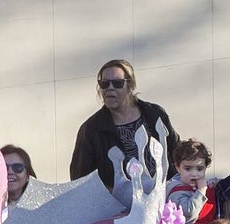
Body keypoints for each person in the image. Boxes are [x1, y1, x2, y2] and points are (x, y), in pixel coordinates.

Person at [69, 59, 179, 189]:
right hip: (118, 201)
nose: (110, 88)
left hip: (164, 195)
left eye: (118, 83)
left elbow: (178, 153)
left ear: (130, 86)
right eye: (104, 83)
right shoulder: (91, 129)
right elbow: (80, 179)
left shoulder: (154, 114)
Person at [167, 139, 216, 224]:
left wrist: (212, 183)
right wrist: (201, 190)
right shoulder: (175, 190)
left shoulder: (196, 184)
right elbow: (190, 212)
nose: (194, 174)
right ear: (177, 167)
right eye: (188, 169)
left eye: (199, 169)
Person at [1, 144, 36, 217]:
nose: (10, 172)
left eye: (17, 167)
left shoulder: (41, 206)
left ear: (28, 175)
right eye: (4, 167)